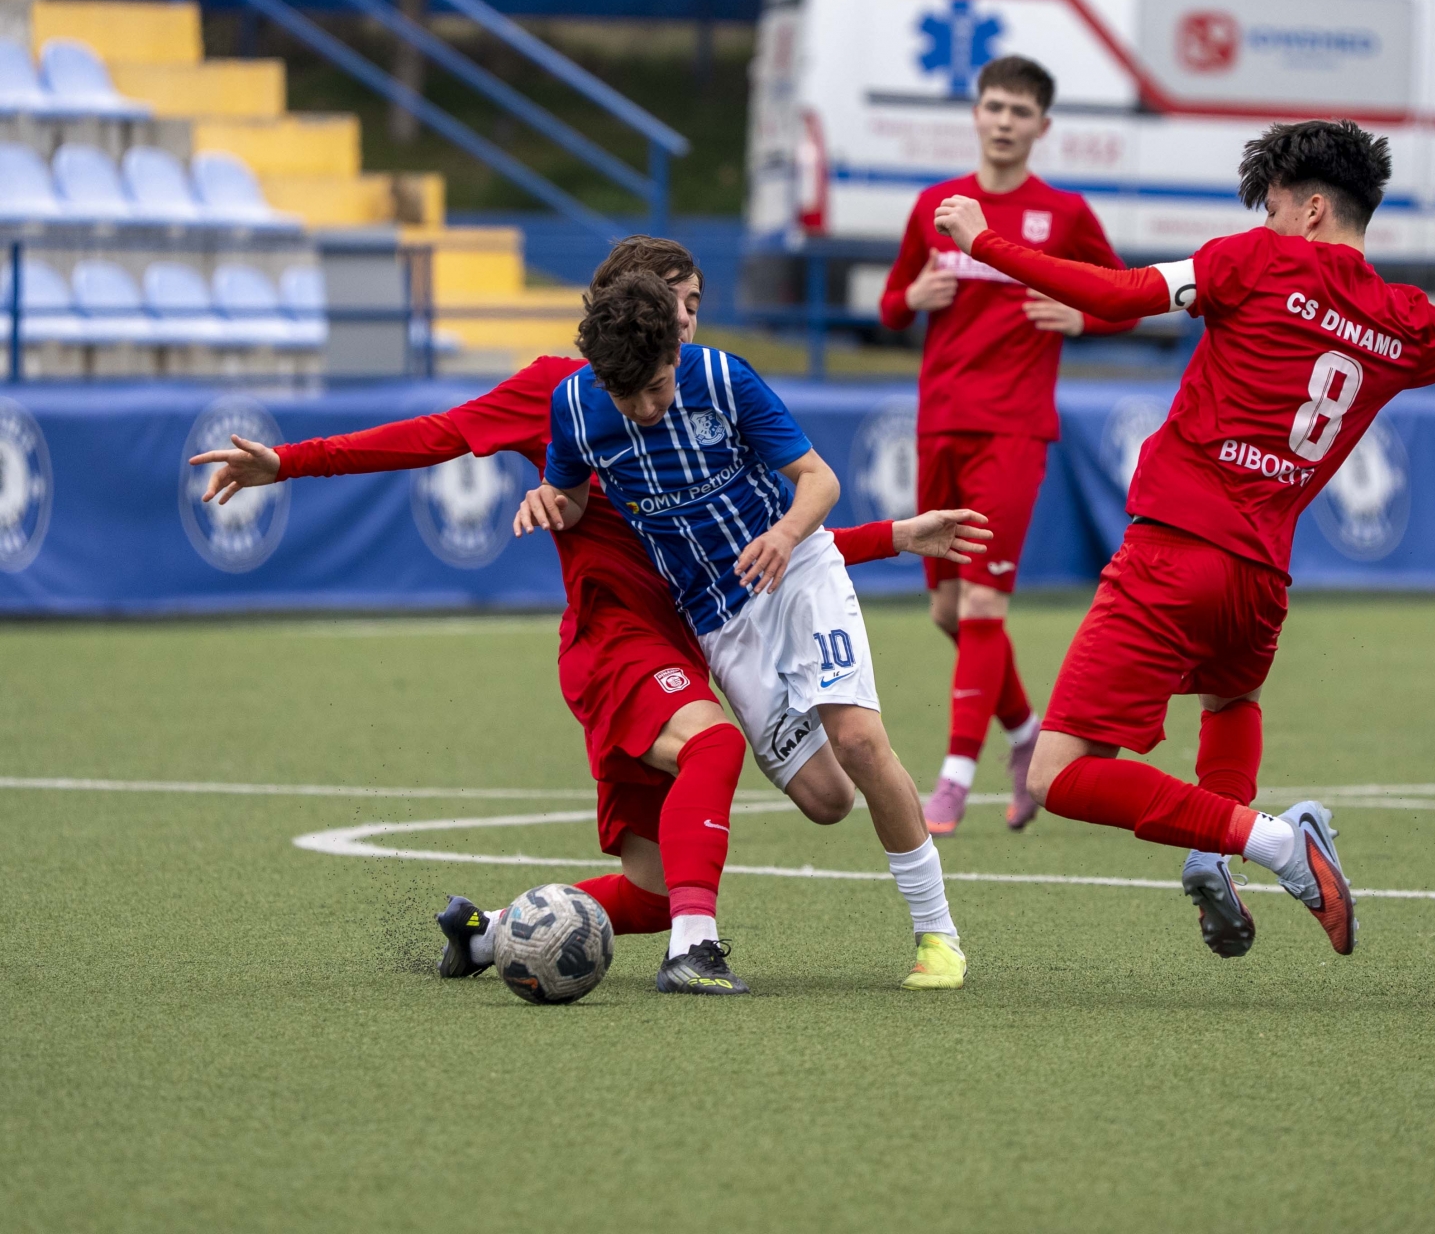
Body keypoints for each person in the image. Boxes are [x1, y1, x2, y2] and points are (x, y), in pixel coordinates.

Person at [190, 236, 990, 995]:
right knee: (716, 747)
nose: (685, 321)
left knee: (670, 880)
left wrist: (888, 537)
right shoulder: (563, 398)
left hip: (694, 639)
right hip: (621, 641)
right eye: (674, 302)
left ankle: (488, 933)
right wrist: (289, 462)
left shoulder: (707, 385)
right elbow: (434, 436)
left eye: (694, 304)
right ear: (622, 307)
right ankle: (698, 950)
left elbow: (749, 541)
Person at [933, 119, 1435, 960]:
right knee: (1229, 701)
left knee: (1054, 774)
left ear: (1311, 210)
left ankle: (1272, 841)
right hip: (1261, 577)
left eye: (1274, 207)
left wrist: (984, 242)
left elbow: (1119, 295)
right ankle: (1210, 854)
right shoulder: (1404, 321)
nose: (1267, 221)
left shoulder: (1256, 261)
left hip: (1174, 550)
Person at [525, 269, 971, 990]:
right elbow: (573, 498)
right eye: (628, 396)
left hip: (798, 574)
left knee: (859, 739)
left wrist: (786, 536)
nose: (645, 409)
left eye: (658, 388)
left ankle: (937, 935)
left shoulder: (723, 379)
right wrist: (550, 501)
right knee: (827, 801)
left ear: (676, 352)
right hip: (718, 621)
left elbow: (819, 479)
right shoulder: (574, 406)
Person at [879, 54, 1140, 835]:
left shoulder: (1062, 214)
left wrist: (1081, 317)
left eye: (1019, 111)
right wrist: (910, 296)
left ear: (1041, 126)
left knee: (984, 602)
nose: (1003, 121)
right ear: (976, 114)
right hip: (939, 425)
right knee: (948, 611)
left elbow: (1126, 300)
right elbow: (890, 305)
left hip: (1014, 430)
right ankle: (1027, 736)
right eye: (993, 106)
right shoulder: (935, 206)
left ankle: (954, 781)